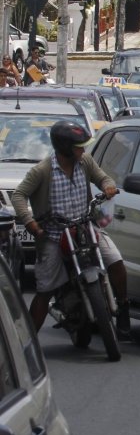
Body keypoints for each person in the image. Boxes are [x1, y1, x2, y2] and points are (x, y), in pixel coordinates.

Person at [11, 121, 128, 338]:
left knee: (115, 260)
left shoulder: (85, 162)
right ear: (64, 147)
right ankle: (28, 344)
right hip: (54, 235)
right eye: (78, 147)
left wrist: (108, 187)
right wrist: (31, 222)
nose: (83, 150)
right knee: (45, 289)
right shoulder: (42, 170)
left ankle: (123, 308)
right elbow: (19, 195)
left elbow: (103, 177)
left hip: (85, 228)